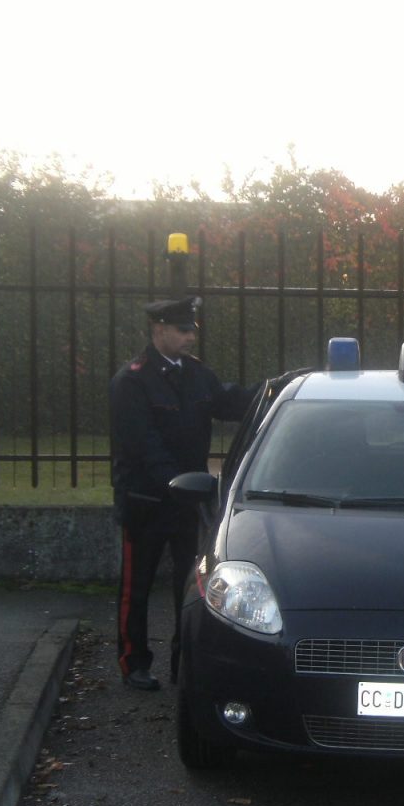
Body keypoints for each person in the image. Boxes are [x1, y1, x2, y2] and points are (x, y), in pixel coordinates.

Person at [110, 296, 256, 691]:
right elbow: (143, 446)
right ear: (158, 330)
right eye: (182, 330)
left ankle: (182, 662)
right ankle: (134, 661)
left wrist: (276, 389)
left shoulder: (195, 375)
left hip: (185, 502)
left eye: (191, 330)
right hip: (146, 502)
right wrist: (178, 483)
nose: (190, 337)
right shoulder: (133, 381)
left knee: (188, 588)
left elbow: (229, 400)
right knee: (135, 587)